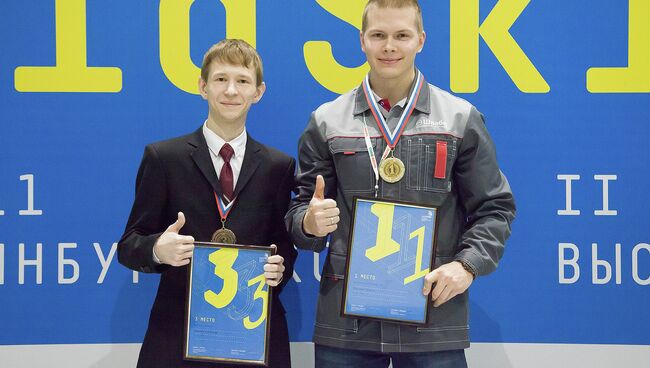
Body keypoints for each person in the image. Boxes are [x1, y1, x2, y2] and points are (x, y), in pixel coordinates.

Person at [285, 1, 516, 367]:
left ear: (420, 40)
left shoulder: (460, 118)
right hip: (346, 321)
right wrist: (308, 223)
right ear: (362, 41)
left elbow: (495, 209)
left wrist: (466, 266)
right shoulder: (326, 121)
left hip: (433, 314)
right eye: (378, 35)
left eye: (401, 35)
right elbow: (301, 210)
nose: (389, 46)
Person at [118, 39, 296, 368]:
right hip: (178, 332)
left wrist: (279, 267)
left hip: (253, 331)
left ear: (258, 92)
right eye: (220, 79)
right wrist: (159, 248)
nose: (231, 90)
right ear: (203, 87)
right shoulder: (164, 158)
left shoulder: (278, 166)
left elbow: (283, 244)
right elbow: (129, 245)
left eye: (242, 81)